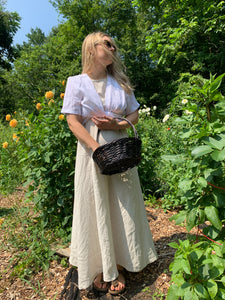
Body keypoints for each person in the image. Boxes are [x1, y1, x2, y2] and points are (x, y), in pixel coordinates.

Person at [61, 32, 157, 295]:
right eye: (107, 43)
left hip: (121, 150)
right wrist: (96, 150)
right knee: (96, 204)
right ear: (92, 48)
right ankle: (101, 266)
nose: (113, 47)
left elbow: (134, 113)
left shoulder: (119, 82)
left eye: (114, 44)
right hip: (92, 151)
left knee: (122, 203)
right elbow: (72, 121)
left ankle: (121, 263)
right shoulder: (76, 83)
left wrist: (117, 124)